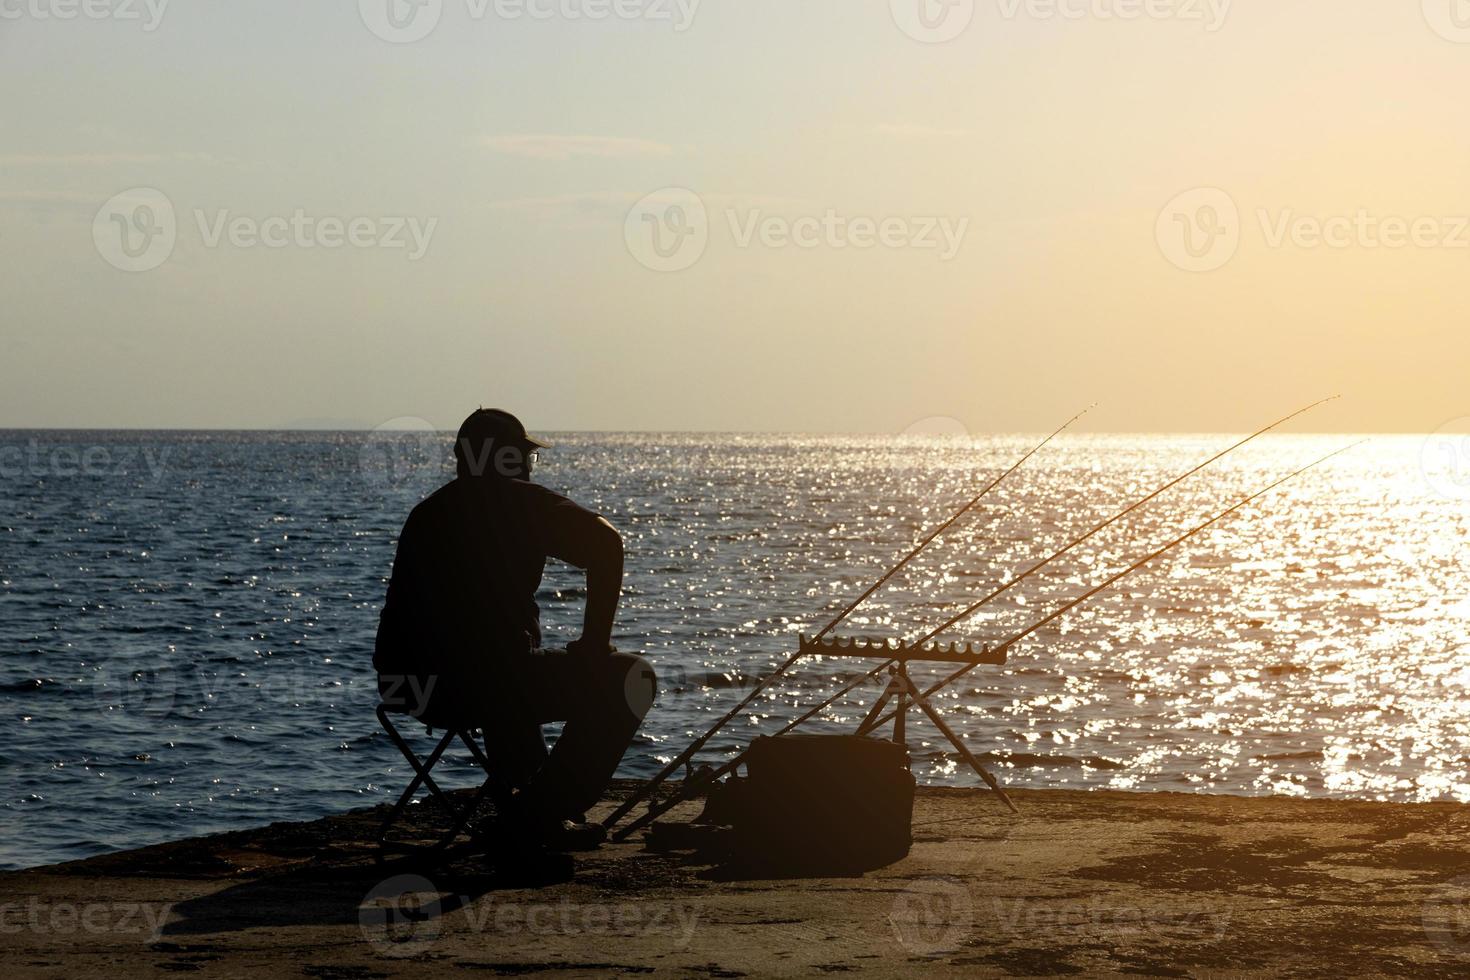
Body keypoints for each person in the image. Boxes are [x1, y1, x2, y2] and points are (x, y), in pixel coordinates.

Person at [374, 408, 655, 849]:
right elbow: (607, 543)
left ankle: (532, 811)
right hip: (481, 685)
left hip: (408, 687)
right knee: (629, 678)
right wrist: (595, 642)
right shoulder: (517, 501)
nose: (527, 467)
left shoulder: (428, 513)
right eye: (523, 457)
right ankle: (536, 813)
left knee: (512, 674)